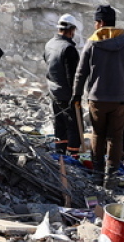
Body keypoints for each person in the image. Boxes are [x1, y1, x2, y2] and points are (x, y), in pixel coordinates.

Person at [71, 4, 124, 188]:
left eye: (96, 22)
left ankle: (97, 174)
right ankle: (110, 175)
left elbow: (81, 72)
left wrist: (76, 94)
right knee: (115, 137)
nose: (95, 25)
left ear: (101, 22)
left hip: (97, 99)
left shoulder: (92, 42)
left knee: (98, 134)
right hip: (121, 100)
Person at [44, 14, 82, 154]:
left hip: (54, 92)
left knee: (60, 125)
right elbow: (73, 77)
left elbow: (48, 64)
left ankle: (60, 153)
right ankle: (73, 156)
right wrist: (77, 96)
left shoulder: (49, 44)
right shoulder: (68, 49)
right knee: (74, 127)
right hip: (67, 95)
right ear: (71, 29)